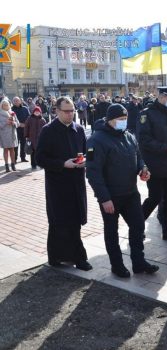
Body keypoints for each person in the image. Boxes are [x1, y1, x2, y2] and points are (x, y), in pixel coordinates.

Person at [86, 104, 159, 278]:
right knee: (112, 231)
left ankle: (139, 262)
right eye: (120, 119)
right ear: (110, 120)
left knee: (138, 226)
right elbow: (92, 172)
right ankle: (117, 265)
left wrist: (143, 169)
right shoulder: (96, 140)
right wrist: (104, 198)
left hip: (130, 192)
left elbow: (138, 157)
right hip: (111, 196)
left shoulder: (129, 136)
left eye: (125, 119)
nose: (123, 122)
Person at [35, 96, 92, 271]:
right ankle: (57, 256)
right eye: (66, 111)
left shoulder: (79, 129)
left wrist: (86, 161)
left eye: (72, 110)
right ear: (57, 111)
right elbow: (40, 158)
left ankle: (77, 257)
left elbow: (86, 151)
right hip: (57, 184)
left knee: (75, 221)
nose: (70, 114)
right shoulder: (48, 130)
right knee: (59, 221)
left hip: (76, 182)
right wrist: (62, 164)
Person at [139, 86, 167, 241]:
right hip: (155, 165)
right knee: (155, 198)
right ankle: (137, 225)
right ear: (162, 97)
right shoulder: (147, 114)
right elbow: (144, 141)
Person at [0, 99, 19, 172]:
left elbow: (18, 123)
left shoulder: (12, 113)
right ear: (1, 106)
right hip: (4, 134)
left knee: (12, 149)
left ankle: (13, 165)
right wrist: (6, 123)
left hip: (12, 134)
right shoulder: (0, 114)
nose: (6, 106)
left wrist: (14, 123)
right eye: (4, 105)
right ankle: (6, 165)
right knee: (5, 149)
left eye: (7, 105)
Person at [12, 96, 31, 163]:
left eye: (17, 100)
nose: (16, 102)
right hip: (15, 129)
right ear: (13, 102)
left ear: (20, 101)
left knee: (23, 144)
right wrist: (19, 124)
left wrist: (25, 124)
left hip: (24, 129)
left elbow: (29, 118)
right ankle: (14, 159)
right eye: (15, 101)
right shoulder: (11, 110)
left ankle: (23, 158)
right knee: (16, 144)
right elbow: (10, 119)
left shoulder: (25, 108)